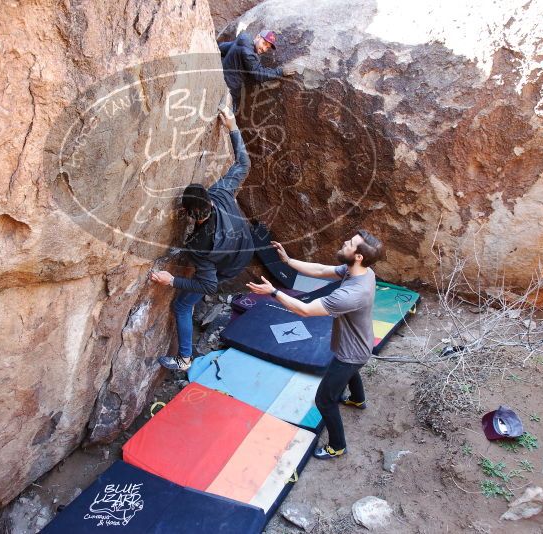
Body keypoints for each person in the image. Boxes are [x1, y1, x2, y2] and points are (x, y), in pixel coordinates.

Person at [247, 231, 384, 459]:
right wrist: (288, 261)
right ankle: (357, 399)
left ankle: (337, 446)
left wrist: (273, 292)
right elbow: (321, 270)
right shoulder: (361, 271)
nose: (345, 241)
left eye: (350, 243)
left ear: (359, 256)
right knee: (350, 370)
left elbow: (305, 310)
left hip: (352, 353)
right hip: (358, 343)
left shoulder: (352, 293)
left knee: (324, 400)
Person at [150, 100, 254, 371]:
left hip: (228, 265)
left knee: (182, 306)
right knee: (192, 294)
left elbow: (209, 286)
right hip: (243, 247)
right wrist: (233, 126)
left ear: (189, 213)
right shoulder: (220, 192)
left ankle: (184, 359)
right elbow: (243, 163)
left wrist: (172, 280)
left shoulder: (201, 246)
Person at [219, 30, 296, 112]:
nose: (264, 49)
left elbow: (221, 48)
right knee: (226, 116)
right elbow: (259, 74)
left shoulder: (241, 41)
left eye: (267, 47)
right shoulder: (248, 53)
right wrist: (281, 72)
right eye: (264, 43)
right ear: (258, 37)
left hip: (221, 81)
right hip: (227, 90)